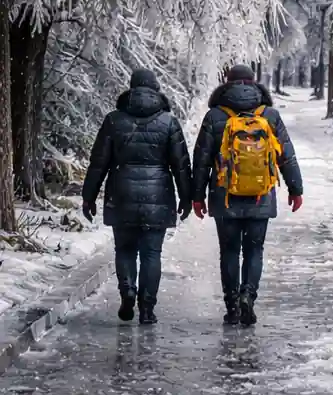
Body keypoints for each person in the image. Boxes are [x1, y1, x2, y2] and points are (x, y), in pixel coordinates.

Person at [191, 64, 303, 327]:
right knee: (254, 250)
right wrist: (295, 189)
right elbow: (286, 155)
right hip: (260, 195)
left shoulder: (216, 116)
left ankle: (231, 305)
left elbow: (202, 160)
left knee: (229, 251)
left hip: (224, 195)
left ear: (227, 84)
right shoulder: (270, 115)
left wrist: (196, 196)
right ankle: (248, 296)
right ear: (253, 83)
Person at [81, 69, 192, 325]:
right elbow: (181, 165)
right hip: (158, 194)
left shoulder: (113, 120)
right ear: (156, 90)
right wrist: (186, 198)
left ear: (130, 89)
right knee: (152, 253)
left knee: (125, 249)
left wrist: (89, 197)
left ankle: (128, 290)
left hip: (121, 193)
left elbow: (99, 163)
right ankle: (147, 308)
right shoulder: (169, 122)